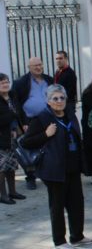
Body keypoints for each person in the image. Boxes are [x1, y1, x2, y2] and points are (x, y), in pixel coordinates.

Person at [20, 84, 92, 249]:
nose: (59, 101)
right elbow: (26, 142)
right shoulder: (41, 118)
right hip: (54, 169)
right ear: (48, 101)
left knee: (76, 204)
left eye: (62, 98)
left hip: (73, 166)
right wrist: (45, 134)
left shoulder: (70, 115)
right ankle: (60, 241)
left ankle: (77, 236)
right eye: (55, 98)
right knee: (57, 206)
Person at [11, 57, 53, 190]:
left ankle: (47, 172)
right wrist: (22, 122)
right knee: (28, 148)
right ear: (29, 67)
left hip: (48, 118)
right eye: (35, 65)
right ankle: (30, 177)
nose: (38, 67)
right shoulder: (21, 82)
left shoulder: (49, 80)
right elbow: (16, 103)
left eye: (40, 64)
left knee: (47, 144)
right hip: (30, 120)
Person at [0, 73, 26, 204]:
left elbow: (19, 112)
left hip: (13, 136)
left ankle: (12, 191)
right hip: (1, 138)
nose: (5, 84)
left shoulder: (12, 96)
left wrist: (22, 125)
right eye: (2, 83)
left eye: (6, 82)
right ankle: (3, 195)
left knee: (12, 165)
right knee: (1, 167)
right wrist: (12, 114)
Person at [54, 51, 77, 116]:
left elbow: (70, 92)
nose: (58, 61)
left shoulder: (70, 73)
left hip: (67, 105)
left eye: (60, 58)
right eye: (57, 59)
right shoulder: (57, 72)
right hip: (59, 104)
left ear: (66, 59)